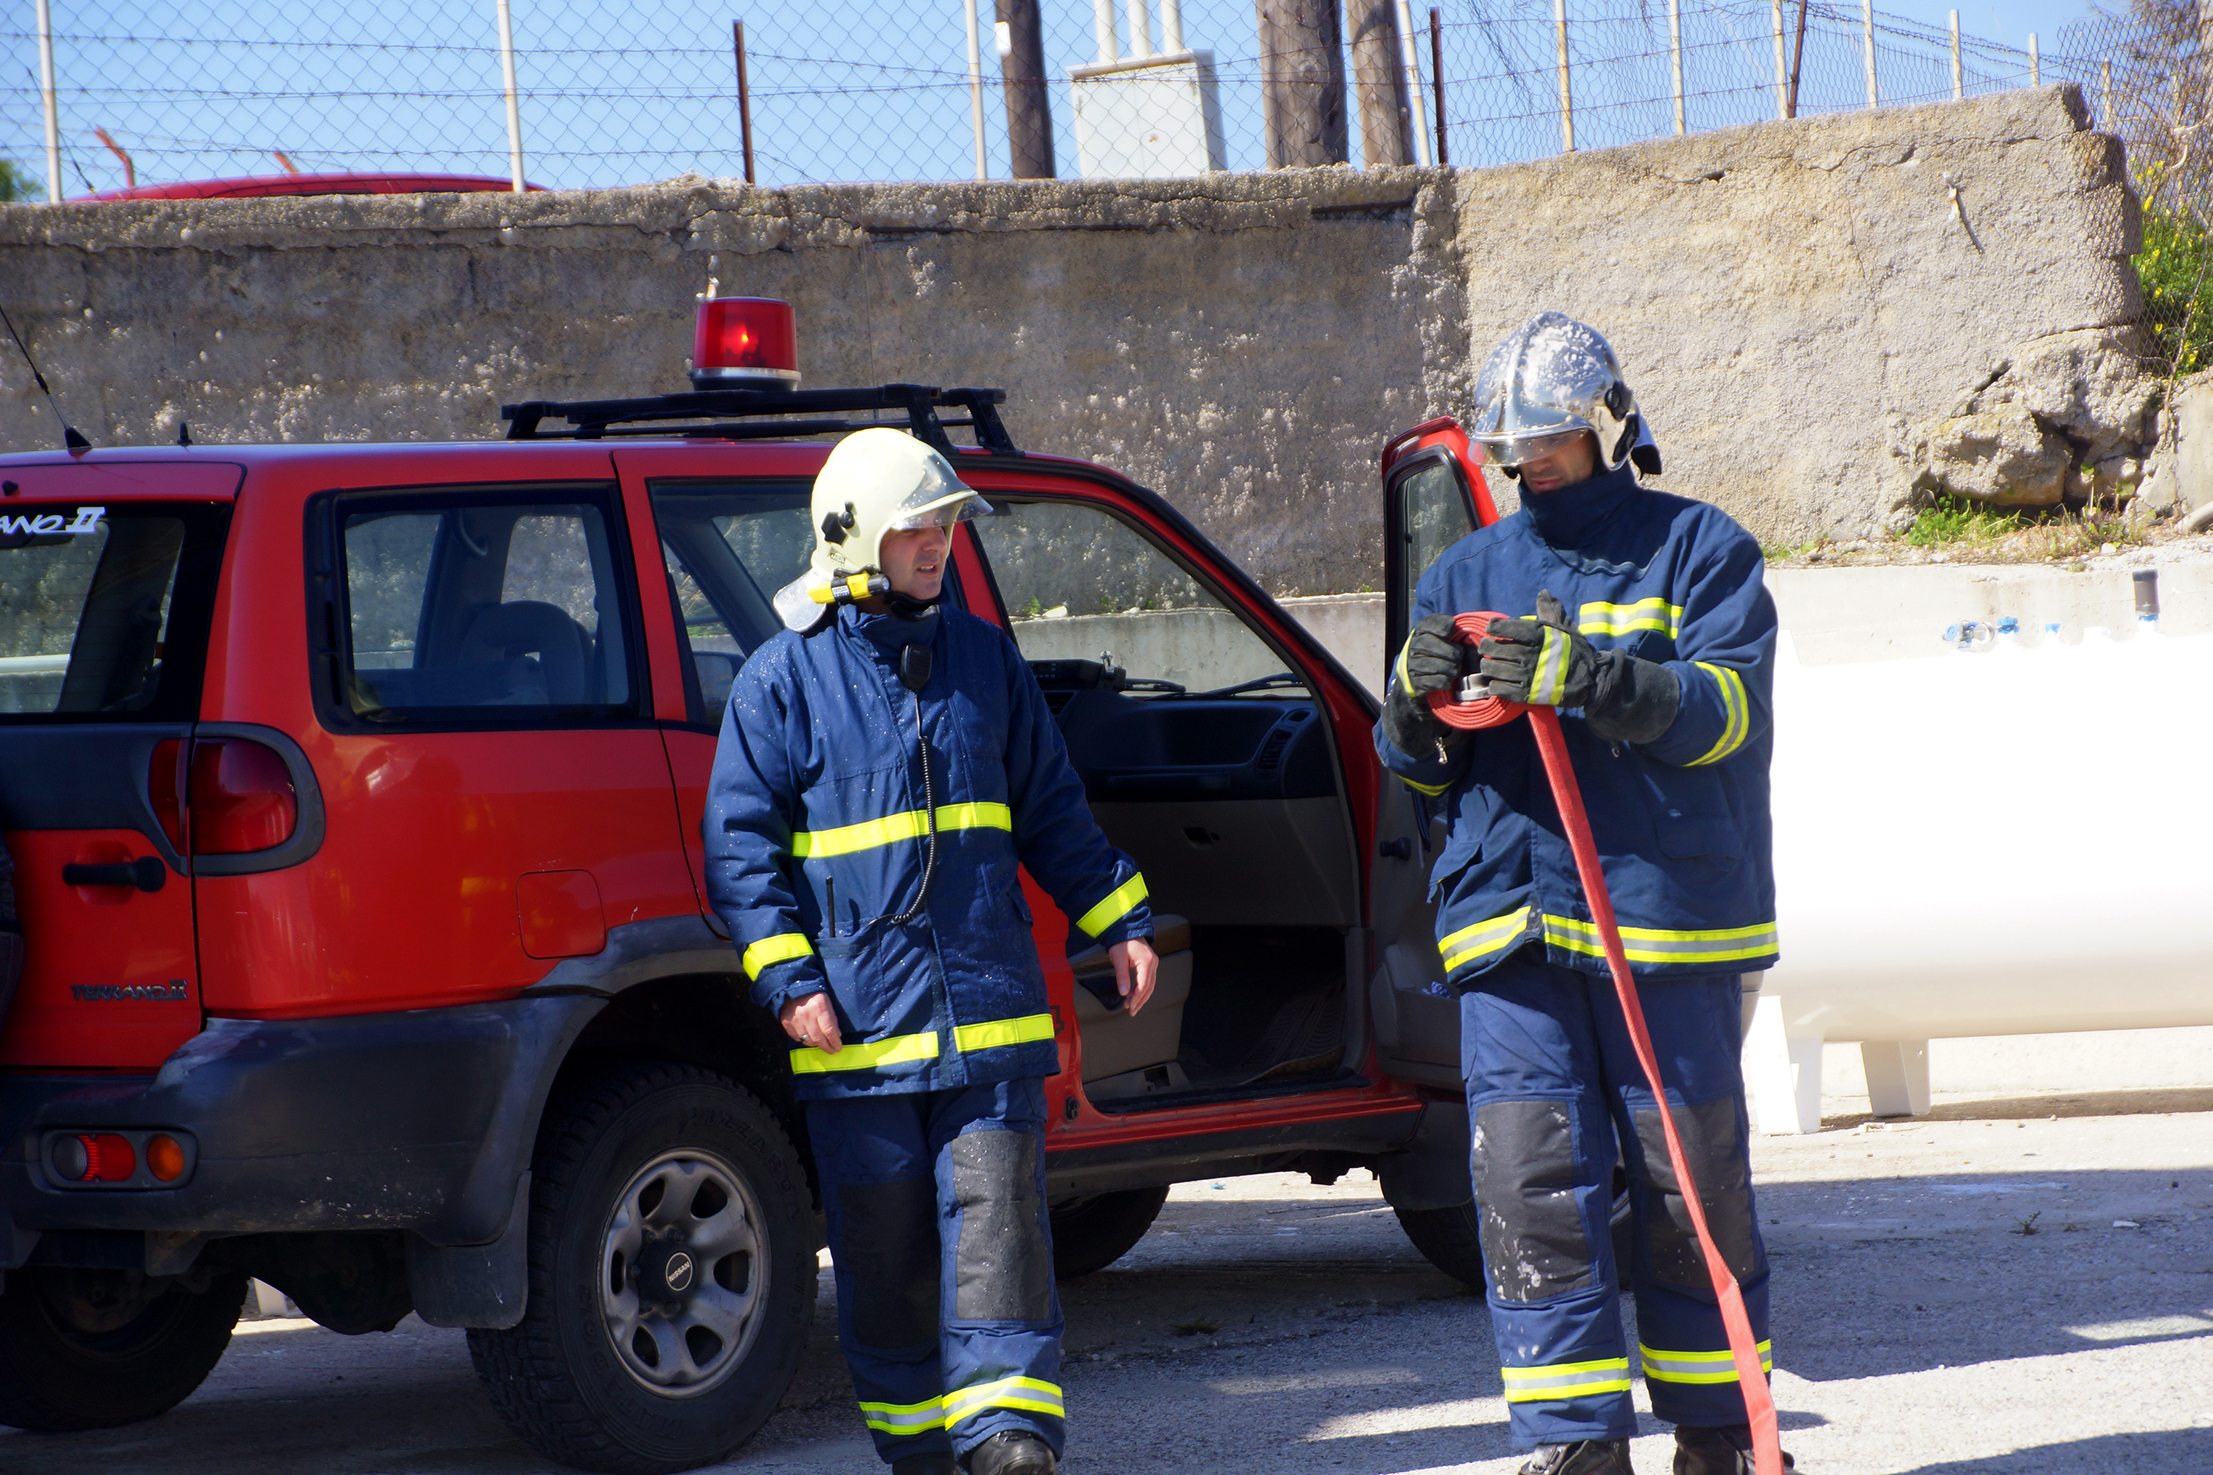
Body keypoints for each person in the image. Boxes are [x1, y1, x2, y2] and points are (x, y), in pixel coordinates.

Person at [1375, 314, 1787, 1475]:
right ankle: (1570, 1444)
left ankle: (1718, 1436)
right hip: (1510, 925)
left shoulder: (1700, 551)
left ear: (1606, 420)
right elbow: (1412, 763)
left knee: (1684, 1178)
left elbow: (1729, 714)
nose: (1528, 460)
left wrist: (1596, 680)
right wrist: (1413, 700)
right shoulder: (1463, 572)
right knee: (1528, 1187)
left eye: (1550, 436)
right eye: (1512, 443)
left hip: (1659, 919)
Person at [706, 428, 1159, 1475]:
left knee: (999, 1237)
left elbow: (1048, 805)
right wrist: (787, 981)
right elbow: (740, 852)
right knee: (888, 1254)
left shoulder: (984, 657)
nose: (939, 546)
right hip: (855, 1035)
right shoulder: (780, 684)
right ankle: (916, 1450)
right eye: (921, 526)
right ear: (854, 536)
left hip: (984, 1021)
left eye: (948, 526)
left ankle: (1009, 1440)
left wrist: (1117, 916)